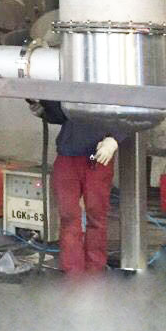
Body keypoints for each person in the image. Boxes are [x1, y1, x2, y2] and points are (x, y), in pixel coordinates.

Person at [27, 100, 123, 276]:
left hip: (97, 156)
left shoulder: (111, 85)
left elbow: (134, 113)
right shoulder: (73, 85)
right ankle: (73, 274)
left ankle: (95, 272)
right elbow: (64, 114)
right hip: (68, 155)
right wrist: (45, 111)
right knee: (68, 216)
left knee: (96, 216)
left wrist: (115, 138)